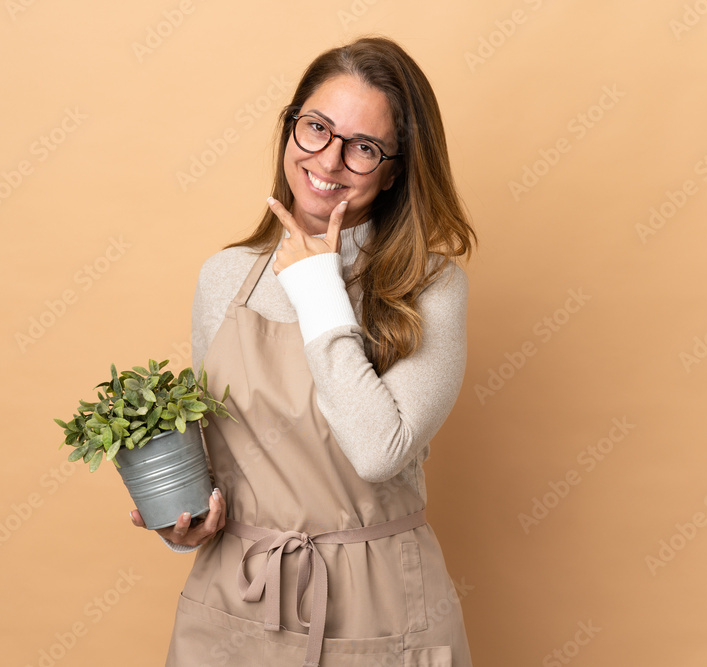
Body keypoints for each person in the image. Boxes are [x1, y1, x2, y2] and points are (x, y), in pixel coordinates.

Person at [130, 35, 476, 666]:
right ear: (290, 128)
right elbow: (222, 458)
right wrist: (186, 520)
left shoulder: (429, 287)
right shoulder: (225, 277)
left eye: (363, 147)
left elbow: (379, 450)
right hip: (236, 598)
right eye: (317, 127)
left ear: (395, 170)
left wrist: (318, 283)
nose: (329, 160)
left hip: (378, 605)